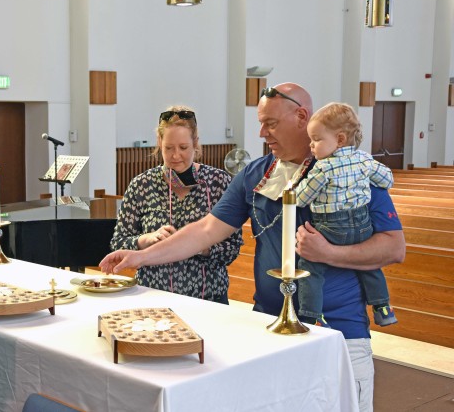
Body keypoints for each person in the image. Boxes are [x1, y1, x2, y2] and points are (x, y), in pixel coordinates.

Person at [100, 83, 405, 412]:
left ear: (301, 116)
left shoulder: (349, 171)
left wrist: (330, 254)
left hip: (337, 330)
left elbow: (393, 247)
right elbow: (204, 230)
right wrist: (141, 255)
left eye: (270, 123)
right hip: (266, 329)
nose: (262, 132)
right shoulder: (258, 173)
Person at [110, 105, 243, 304]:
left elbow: (232, 249)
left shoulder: (218, 182)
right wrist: (146, 239)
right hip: (153, 296)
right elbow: (118, 243)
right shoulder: (141, 185)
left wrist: (196, 245)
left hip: (209, 298)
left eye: (183, 148)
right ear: (159, 143)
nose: (175, 156)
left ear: (196, 143)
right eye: (168, 148)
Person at [295, 102, 397, 327]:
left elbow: (301, 198)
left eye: (316, 140)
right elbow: (388, 179)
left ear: (339, 139)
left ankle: (311, 315)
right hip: (362, 225)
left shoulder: (323, 168)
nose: (311, 146)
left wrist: (292, 189)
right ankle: (383, 307)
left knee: (310, 267)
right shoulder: (364, 160)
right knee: (369, 266)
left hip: (331, 227)